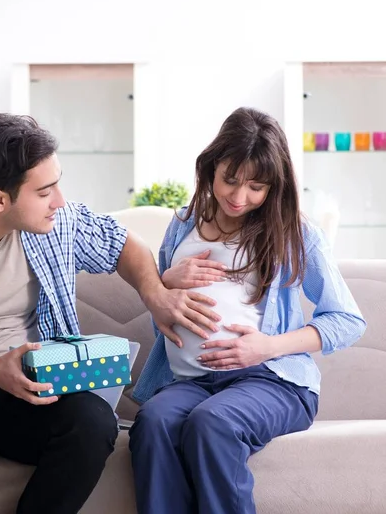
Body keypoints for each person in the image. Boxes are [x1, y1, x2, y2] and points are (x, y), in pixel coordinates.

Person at [0, 113, 219, 514]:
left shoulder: (58, 221)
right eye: (45, 191)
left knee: (93, 421)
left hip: (30, 394)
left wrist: (155, 294)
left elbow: (124, 245)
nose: (59, 201)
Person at [129, 107, 366, 514]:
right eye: (230, 180)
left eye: (256, 186)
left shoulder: (295, 232)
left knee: (213, 424)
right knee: (153, 423)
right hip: (190, 381)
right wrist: (166, 279)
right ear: (211, 167)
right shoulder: (183, 222)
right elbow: (161, 306)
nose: (239, 198)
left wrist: (268, 347)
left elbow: (347, 321)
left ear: (274, 186)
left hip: (271, 381)